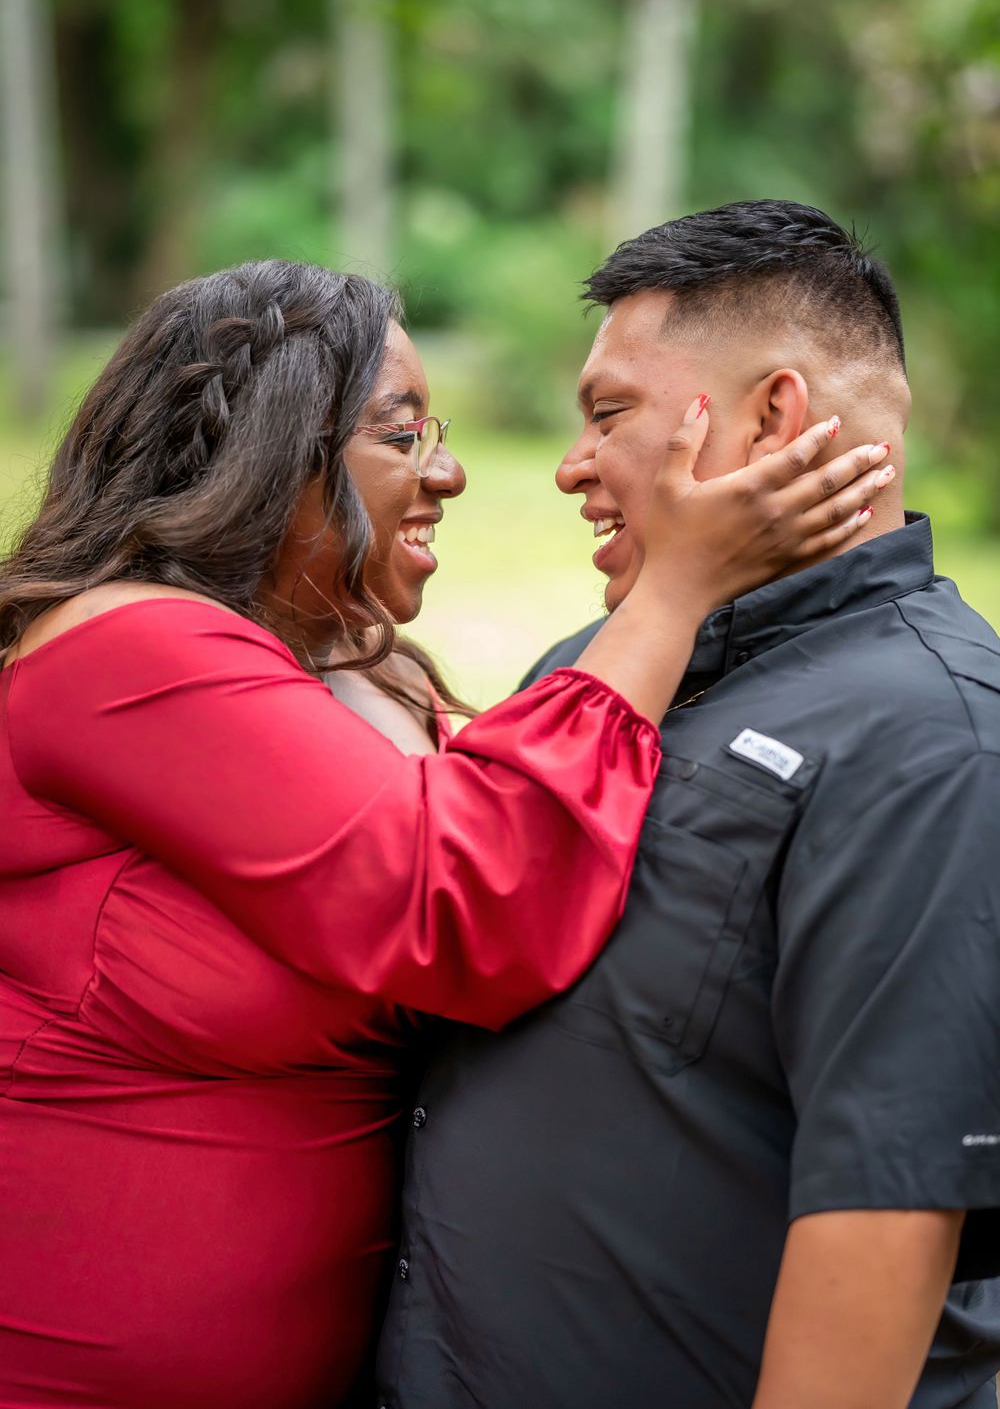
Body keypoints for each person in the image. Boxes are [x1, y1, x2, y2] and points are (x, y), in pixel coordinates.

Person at [0, 258, 887, 1408]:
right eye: (401, 433)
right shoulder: (121, 650)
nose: (450, 473)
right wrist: (675, 588)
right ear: (274, 448)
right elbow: (463, 899)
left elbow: (558, 823)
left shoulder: (373, 672)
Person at [376, 202, 1000, 1409]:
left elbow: (883, 1213)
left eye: (610, 415)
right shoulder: (599, 657)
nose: (569, 467)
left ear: (773, 416)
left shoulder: (936, 740)